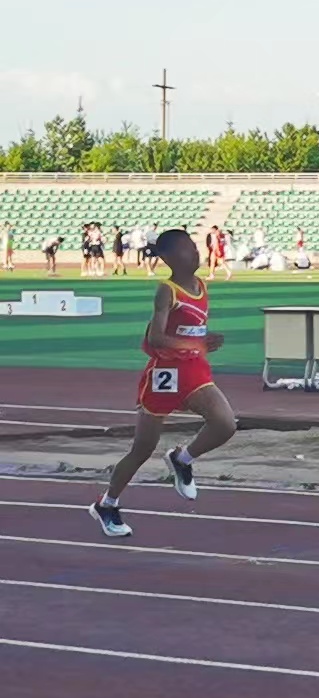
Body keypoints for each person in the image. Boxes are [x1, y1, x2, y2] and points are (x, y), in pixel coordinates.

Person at [90, 228, 236, 539]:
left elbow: (191, 332)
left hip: (194, 371)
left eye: (194, 248)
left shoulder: (201, 285)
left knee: (225, 424)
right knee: (142, 448)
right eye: (186, 250)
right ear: (168, 258)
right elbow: (155, 337)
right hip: (164, 376)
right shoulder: (166, 291)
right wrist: (197, 344)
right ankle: (107, 503)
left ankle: (181, 458)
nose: (194, 253)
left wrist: (202, 344)